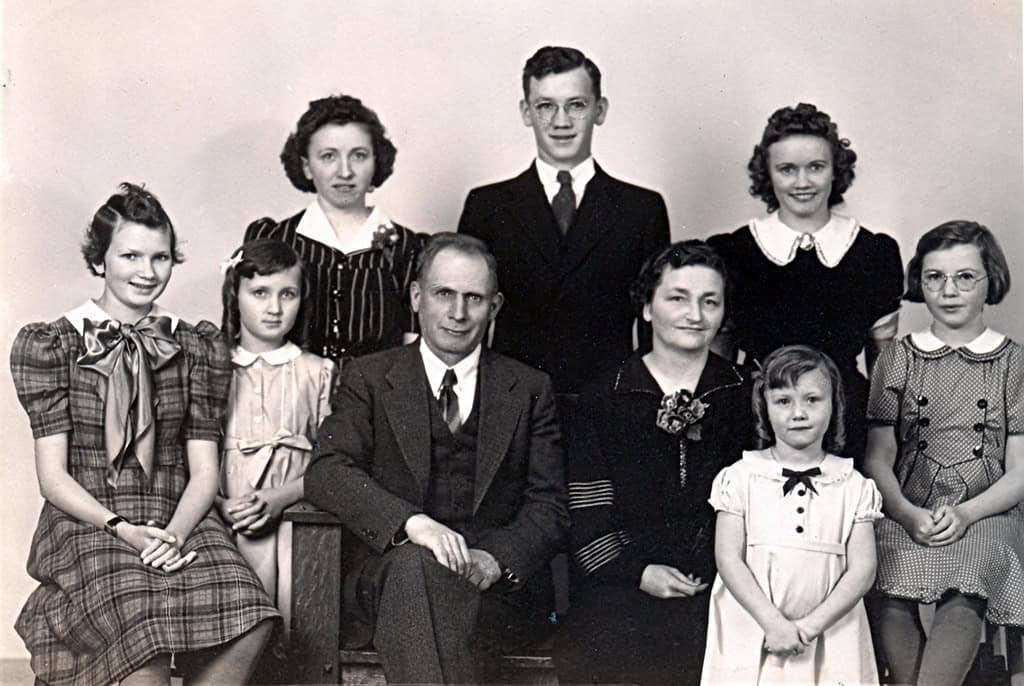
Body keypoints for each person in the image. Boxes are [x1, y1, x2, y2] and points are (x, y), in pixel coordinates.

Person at [10, 183, 278, 686]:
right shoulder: (53, 344)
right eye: (130, 255)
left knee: (251, 614)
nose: (146, 272)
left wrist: (175, 533)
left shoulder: (196, 346)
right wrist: (123, 530)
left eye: (159, 257)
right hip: (89, 520)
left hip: (179, 514)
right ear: (100, 261)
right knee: (141, 641)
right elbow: (53, 478)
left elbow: (203, 471)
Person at [304, 232, 569, 684]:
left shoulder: (528, 389)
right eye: (444, 293)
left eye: (474, 298)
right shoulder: (370, 376)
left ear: (496, 306)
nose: (458, 313)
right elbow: (327, 472)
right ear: (415, 296)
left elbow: (549, 506)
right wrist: (412, 524)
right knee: (415, 567)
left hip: (494, 594)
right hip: (391, 582)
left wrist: (493, 560)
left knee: (433, 589)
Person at [554, 241, 751, 684]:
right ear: (646, 307)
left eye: (709, 301)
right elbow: (586, 514)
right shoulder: (604, 397)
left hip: (725, 583)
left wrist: (721, 573)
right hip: (623, 584)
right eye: (677, 298)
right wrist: (639, 573)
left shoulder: (745, 395)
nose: (694, 315)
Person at [862, 220, 1024, 686]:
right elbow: (877, 457)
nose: (948, 290)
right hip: (907, 509)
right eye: (935, 277)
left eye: (965, 277)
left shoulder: (1012, 361)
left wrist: (968, 514)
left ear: (990, 279)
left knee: (970, 578)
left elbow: (1019, 471)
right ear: (920, 282)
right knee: (884, 567)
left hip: (986, 512)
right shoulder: (897, 357)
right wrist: (908, 514)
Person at [458, 45, 670, 396]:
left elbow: (655, 329)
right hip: (510, 401)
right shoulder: (486, 206)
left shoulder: (641, 209)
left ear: (599, 110)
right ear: (526, 112)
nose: (561, 122)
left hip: (607, 402)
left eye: (576, 105)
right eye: (545, 106)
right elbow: (466, 312)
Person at [709, 103, 904, 462]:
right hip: (754, 422)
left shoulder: (873, 253)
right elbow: (718, 366)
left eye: (816, 167)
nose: (802, 182)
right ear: (767, 174)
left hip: (846, 422)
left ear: (835, 171)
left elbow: (883, 370)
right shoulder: (733, 252)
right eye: (787, 169)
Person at [702, 345, 881, 685]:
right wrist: (774, 624)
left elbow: (863, 569)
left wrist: (808, 628)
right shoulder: (740, 477)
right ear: (764, 407)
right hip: (755, 627)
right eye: (784, 401)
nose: (798, 412)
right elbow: (728, 558)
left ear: (834, 405)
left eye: (812, 399)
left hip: (830, 628)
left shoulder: (853, 485)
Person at [245, 94, 424, 370]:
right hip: (290, 401)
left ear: (377, 161)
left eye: (359, 156)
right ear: (306, 165)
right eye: (329, 156)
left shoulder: (408, 249)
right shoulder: (276, 239)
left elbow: (413, 354)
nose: (345, 171)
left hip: (378, 405)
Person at [216, 239, 334, 633]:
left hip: (296, 516)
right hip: (227, 516)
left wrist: (282, 498)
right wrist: (220, 504)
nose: (274, 308)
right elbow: (190, 456)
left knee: (293, 621)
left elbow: (334, 461)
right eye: (260, 293)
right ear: (235, 294)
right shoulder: (214, 368)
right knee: (235, 623)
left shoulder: (318, 371)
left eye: (288, 294)